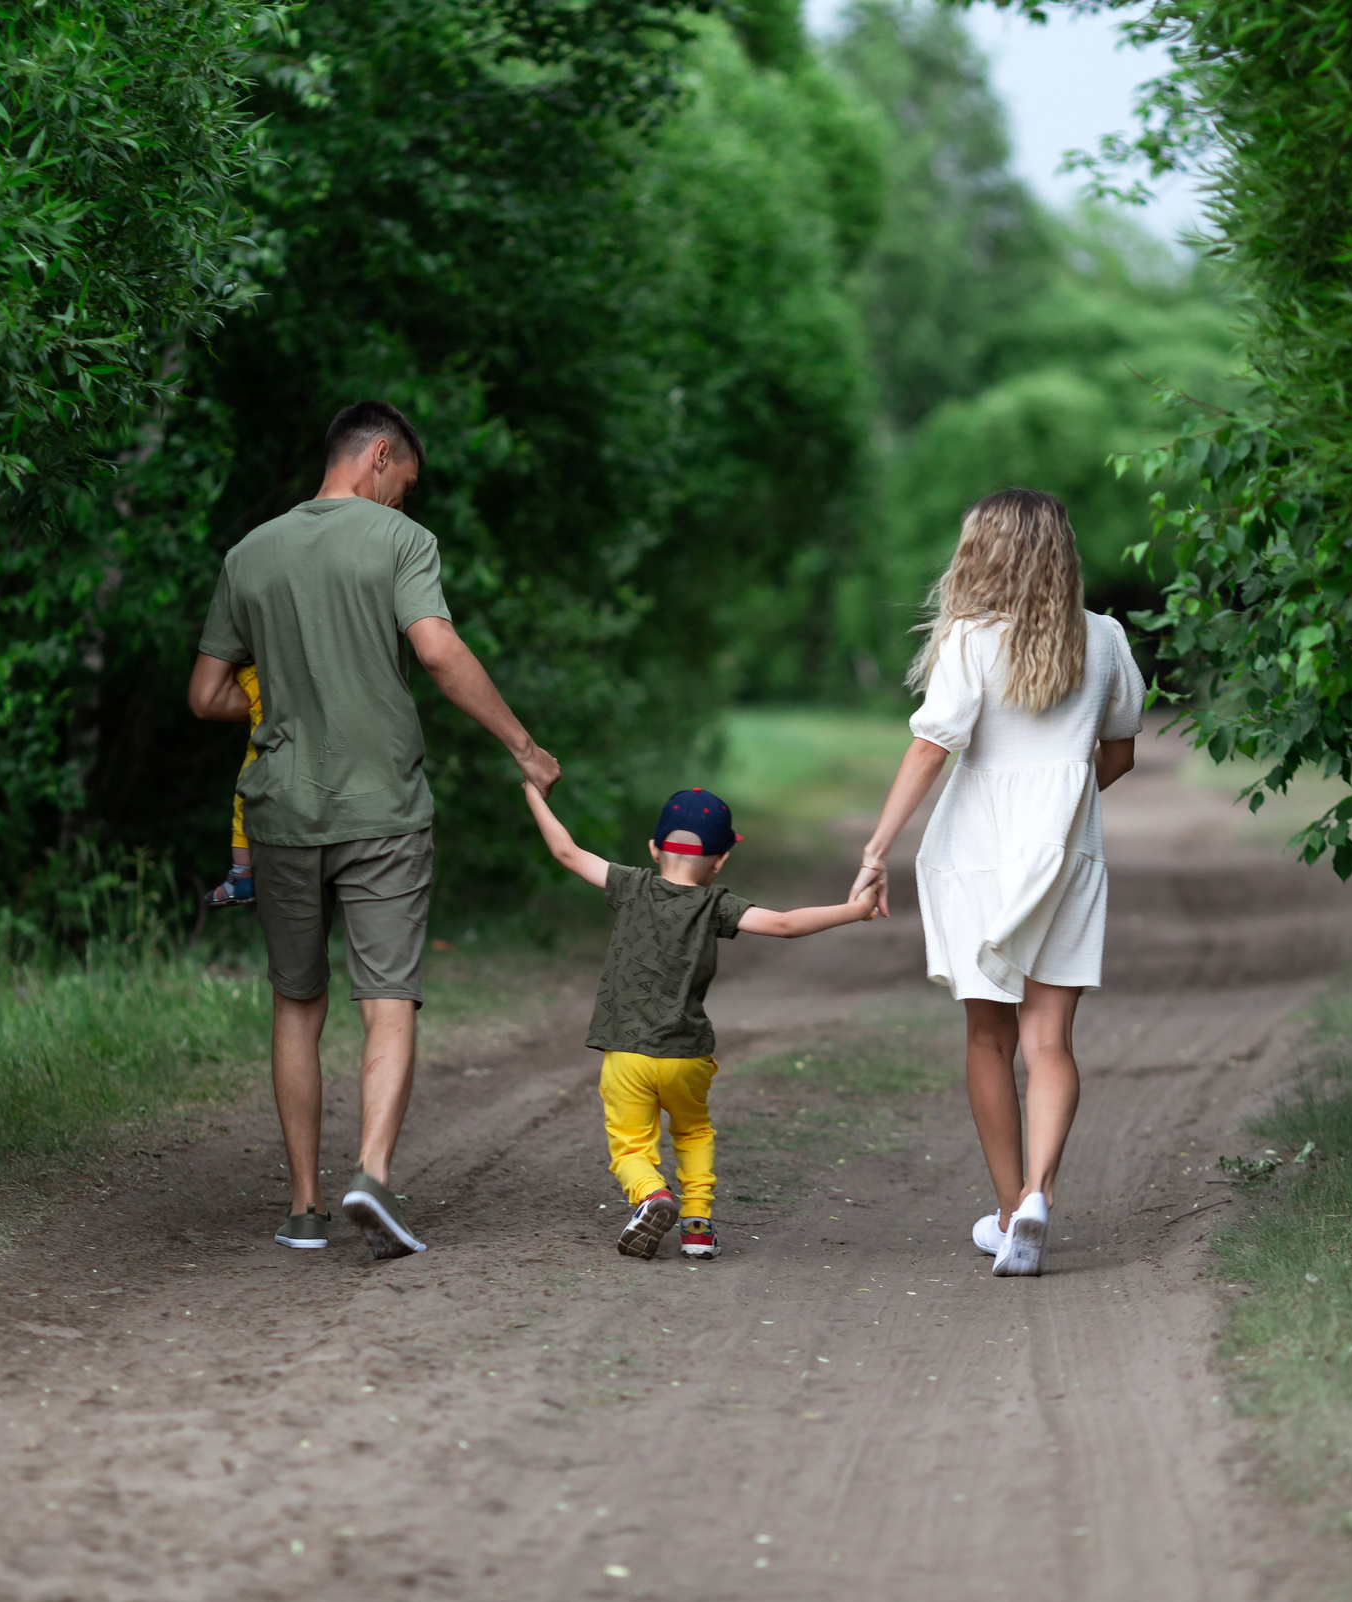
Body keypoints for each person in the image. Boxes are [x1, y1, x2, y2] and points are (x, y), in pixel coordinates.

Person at [189, 400, 561, 1259]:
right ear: (380, 455)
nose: (404, 502)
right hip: (384, 809)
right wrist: (524, 746)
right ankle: (373, 1172)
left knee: (297, 999)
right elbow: (435, 650)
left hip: (281, 810)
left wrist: (276, 688)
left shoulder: (251, 554)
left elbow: (206, 695)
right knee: (386, 996)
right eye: (406, 485)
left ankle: (303, 1206)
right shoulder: (401, 544)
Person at [854, 488, 1143, 1278]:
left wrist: (878, 847)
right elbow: (1117, 755)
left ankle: (1010, 1204)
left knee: (989, 1035)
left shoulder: (970, 640)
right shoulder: (1107, 640)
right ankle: (1041, 1194)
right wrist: (1060, 815)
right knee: (1049, 1040)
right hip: (1065, 858)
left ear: (982, 552)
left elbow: (930, 747)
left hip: (977, 855)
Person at [524, 784, 880, 1260]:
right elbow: (786, 924)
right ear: (721, 860)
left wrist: (533, 793)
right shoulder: (717, 905)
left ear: (654, 847)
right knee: (692, 1132)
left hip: (627, 1052)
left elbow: (566, 851)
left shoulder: (631, 884)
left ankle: (651, 1195)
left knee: (631, 1145)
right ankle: (696, 1225)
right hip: (686, 1056)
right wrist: (856, 910)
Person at [204, 664, 263, 907]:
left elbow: (205, 699)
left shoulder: (253, 674)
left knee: (244, 800)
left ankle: (242, 873)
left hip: (271, 749)